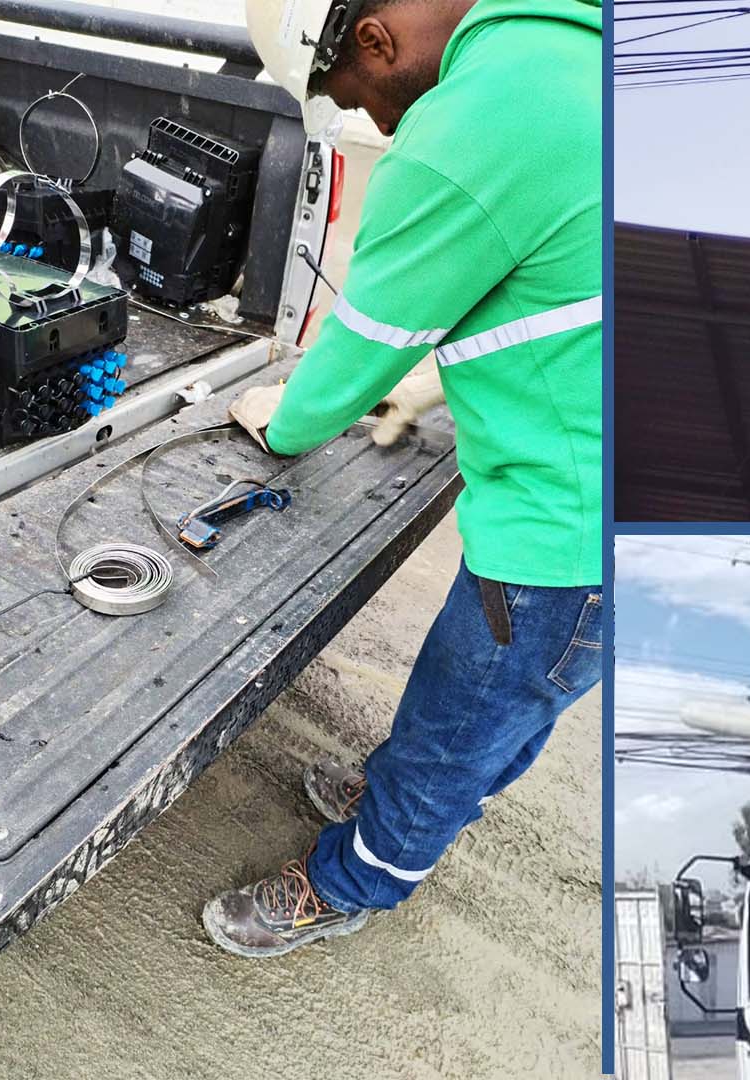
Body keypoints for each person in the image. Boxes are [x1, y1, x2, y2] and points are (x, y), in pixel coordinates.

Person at [201, 0, 602, 958]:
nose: (374, 123)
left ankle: (357, 878)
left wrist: (285, 417)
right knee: (514, 705)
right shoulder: (567, 51)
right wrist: (441, 381)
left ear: (375, 41)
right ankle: (410, 798)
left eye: (355, 99)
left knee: (461, 716)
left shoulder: (465, 129)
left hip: (567, 535)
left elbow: (361, 343)